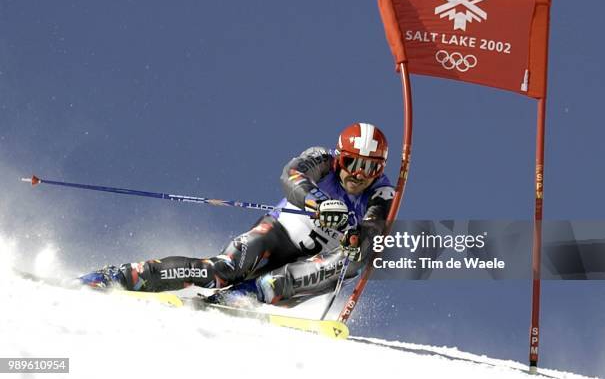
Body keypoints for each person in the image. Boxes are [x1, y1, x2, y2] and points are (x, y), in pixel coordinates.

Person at [79, 122, 395, 305]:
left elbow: (376, 224)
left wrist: (358, 239)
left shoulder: (381, 191)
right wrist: (319, 203)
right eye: (353, 163)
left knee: (351, 262)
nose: (360, 174)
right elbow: (292, 176)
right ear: (340, 159)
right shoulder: (322, 158)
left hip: (313, 265)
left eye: (371, 167)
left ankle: (241, 299)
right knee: (222, 270)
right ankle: (121, 276)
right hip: (279, 233)